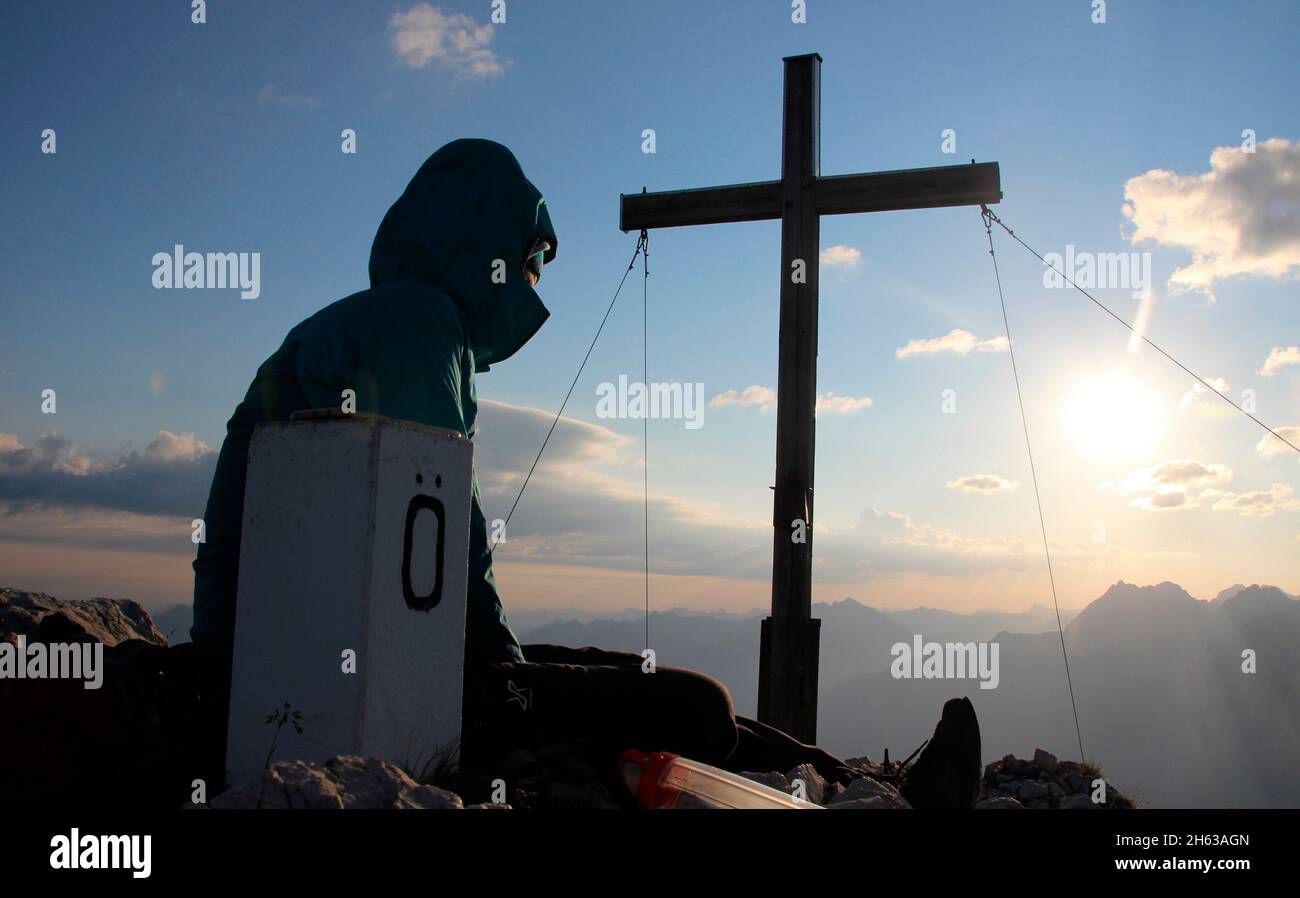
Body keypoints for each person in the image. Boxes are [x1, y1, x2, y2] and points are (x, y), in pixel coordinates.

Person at [188, 138, 975, 804]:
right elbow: (438, 539)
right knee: (697, 703)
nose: (533, 280)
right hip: (345, 666)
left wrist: (513, 661)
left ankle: (867, 782)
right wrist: (506, 664)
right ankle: (878, 794)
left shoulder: (392, 323)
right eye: (529, 259)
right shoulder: (413, 322)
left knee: (641, 681)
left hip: (322, 643)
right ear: (478, 243)